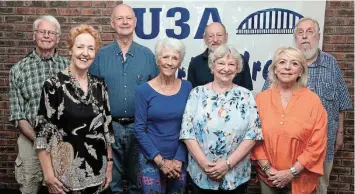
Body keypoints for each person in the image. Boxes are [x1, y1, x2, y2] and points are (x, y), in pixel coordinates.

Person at [262, 17, 353, 194]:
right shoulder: (281, 66)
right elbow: (266, 102)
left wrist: (340, 133)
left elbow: (341, 101)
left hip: (322, 143)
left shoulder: (331, 63)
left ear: (318, 36)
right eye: (300, 32)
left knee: (318, 187)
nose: (305, 37)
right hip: (284, 149)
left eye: (310, 32)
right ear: (295, 37)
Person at [34, 24, 114, 194]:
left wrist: (109, 164)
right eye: (80, 47)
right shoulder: (53, 86)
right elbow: (42, 135)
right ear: (70, 50)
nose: (85, 53)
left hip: (98, 176)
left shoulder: (100, 85)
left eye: (91, 48)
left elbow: (107, 129)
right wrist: (48, 175)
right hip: (64, 179)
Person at [89, 4, 159, 194]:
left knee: (140, 182)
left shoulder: (147, 55)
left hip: (141, 129)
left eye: (129, 18)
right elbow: (92, 95)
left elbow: (157, 92)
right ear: (112, 23)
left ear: (135, 22)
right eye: (120, 18)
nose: (125, 22)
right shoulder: (100, 56)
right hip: (111, 128)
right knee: (112, 183)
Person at [180, 44, 263, 193]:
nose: (226, 68)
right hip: (201, 173)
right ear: (213, 66)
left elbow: (253, 134)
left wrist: (227, 164)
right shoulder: (196, 93)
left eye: (231, 64)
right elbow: (187, 132)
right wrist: (204, 164)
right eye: (221, 63)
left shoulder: (246, 96)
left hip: (235, 175)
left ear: (237, 68)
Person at [253, 47, 327, 194]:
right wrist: (268, 169)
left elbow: (317, 143)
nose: (287, 67)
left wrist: (291, 172)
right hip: (269, 178)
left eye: (294, 63)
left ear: (301, 71)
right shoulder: (261, 99)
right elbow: (254, 138)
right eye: (282, 62)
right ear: (275, 69)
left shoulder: (313, 101)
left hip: (302, 178)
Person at [9, 15, 69, 194]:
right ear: (34, 35)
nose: (47, 36)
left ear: (58, 38)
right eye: (42, 31)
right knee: (29, 187)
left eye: (51, 32)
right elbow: (17, 115)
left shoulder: (69, 67)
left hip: (63, 142)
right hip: (30, 140)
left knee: (61, 188)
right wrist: (40, 140)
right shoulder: (19, 69)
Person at [134, 38, 192, 194]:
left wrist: (179, 159)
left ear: (180, 62)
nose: (170, 62)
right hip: (151, 159)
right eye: (165, 57)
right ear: (157, 59)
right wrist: (160, 161)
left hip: (178, 159)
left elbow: (189, 126)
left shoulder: (188, 87)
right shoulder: (143, 91)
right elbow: (139, 129)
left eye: (175, 58)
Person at [187, 22, 253, 90]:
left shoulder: (239, 59)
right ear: (205, 39)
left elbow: (247, 91)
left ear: (226, 37)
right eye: (210, 36)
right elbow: (192, 93)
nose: (215, 40)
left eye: (219, 35)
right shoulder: (195, 63)